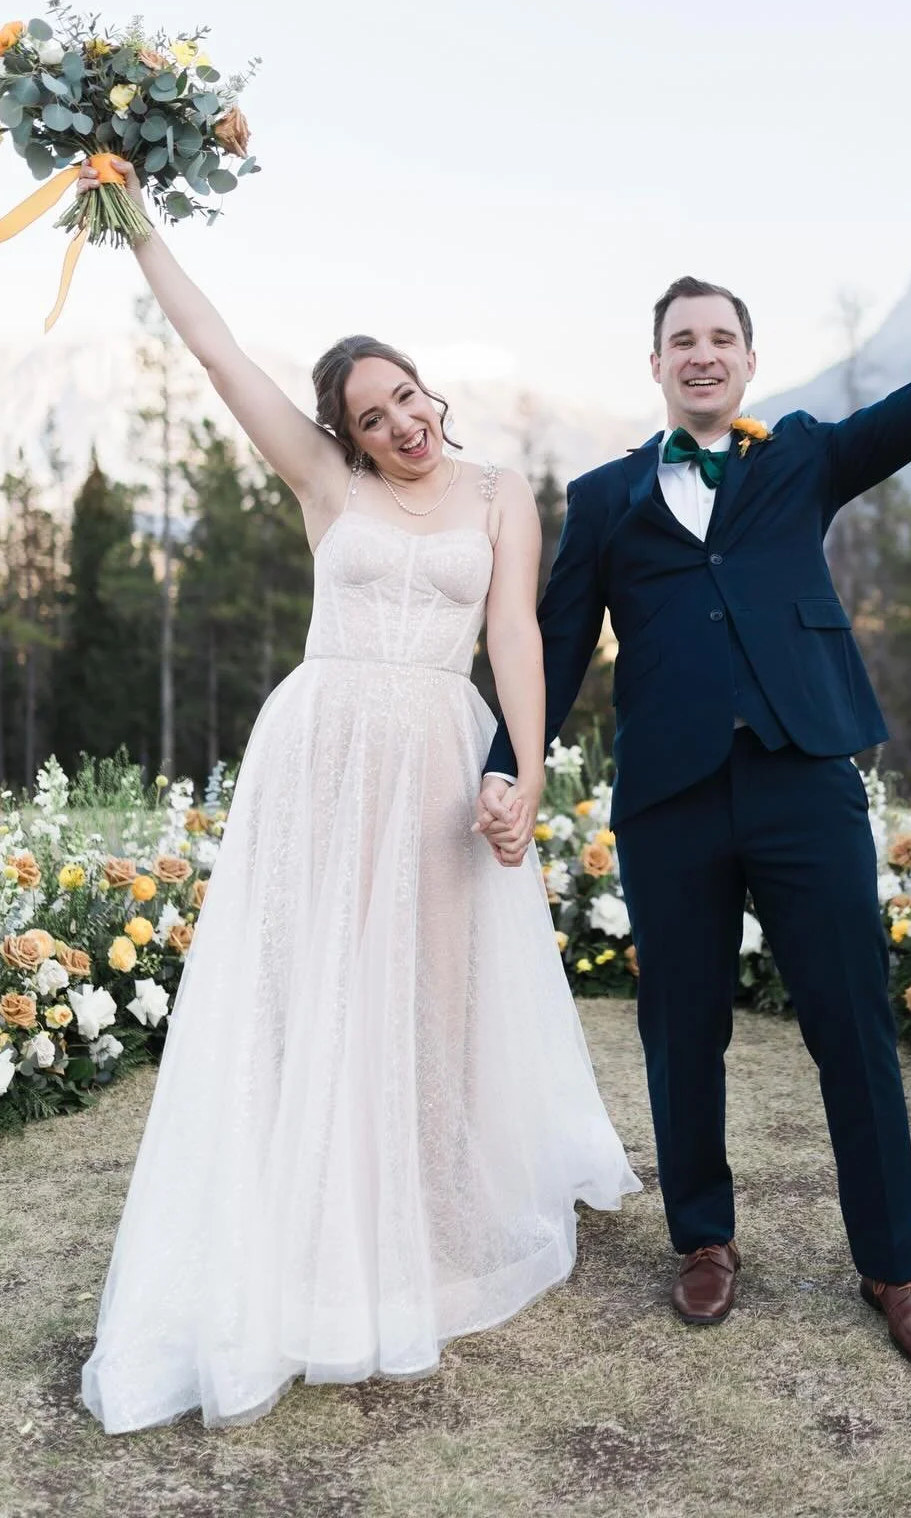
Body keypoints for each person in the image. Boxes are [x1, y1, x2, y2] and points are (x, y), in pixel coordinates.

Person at [77, 158, 639, 1433]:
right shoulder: (330, 488)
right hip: (322, 753)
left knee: (431, 994)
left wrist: (523, 770)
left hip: (440, 760)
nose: (402, 422)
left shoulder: (501, 500)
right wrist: (137, 222)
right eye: (373, 413)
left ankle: (424, 1233)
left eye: (409, 394)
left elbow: (519, 643)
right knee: (308, 983)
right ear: (345, 433)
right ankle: (302, 1229)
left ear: (431, 390)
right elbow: (221, 358)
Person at [477, 178, 911, 1372]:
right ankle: (704, 1241)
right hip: (669, 799)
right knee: (678, 1029)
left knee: (851, 1025)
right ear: (656, 365)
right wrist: (508, 768)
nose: (703, 355)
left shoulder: (802, 460)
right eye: (682, 340)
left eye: (721, 339)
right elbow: (545, 650)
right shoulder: (601, 502)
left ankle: (894, 1269)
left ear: (750, 361)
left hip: (806, 779)